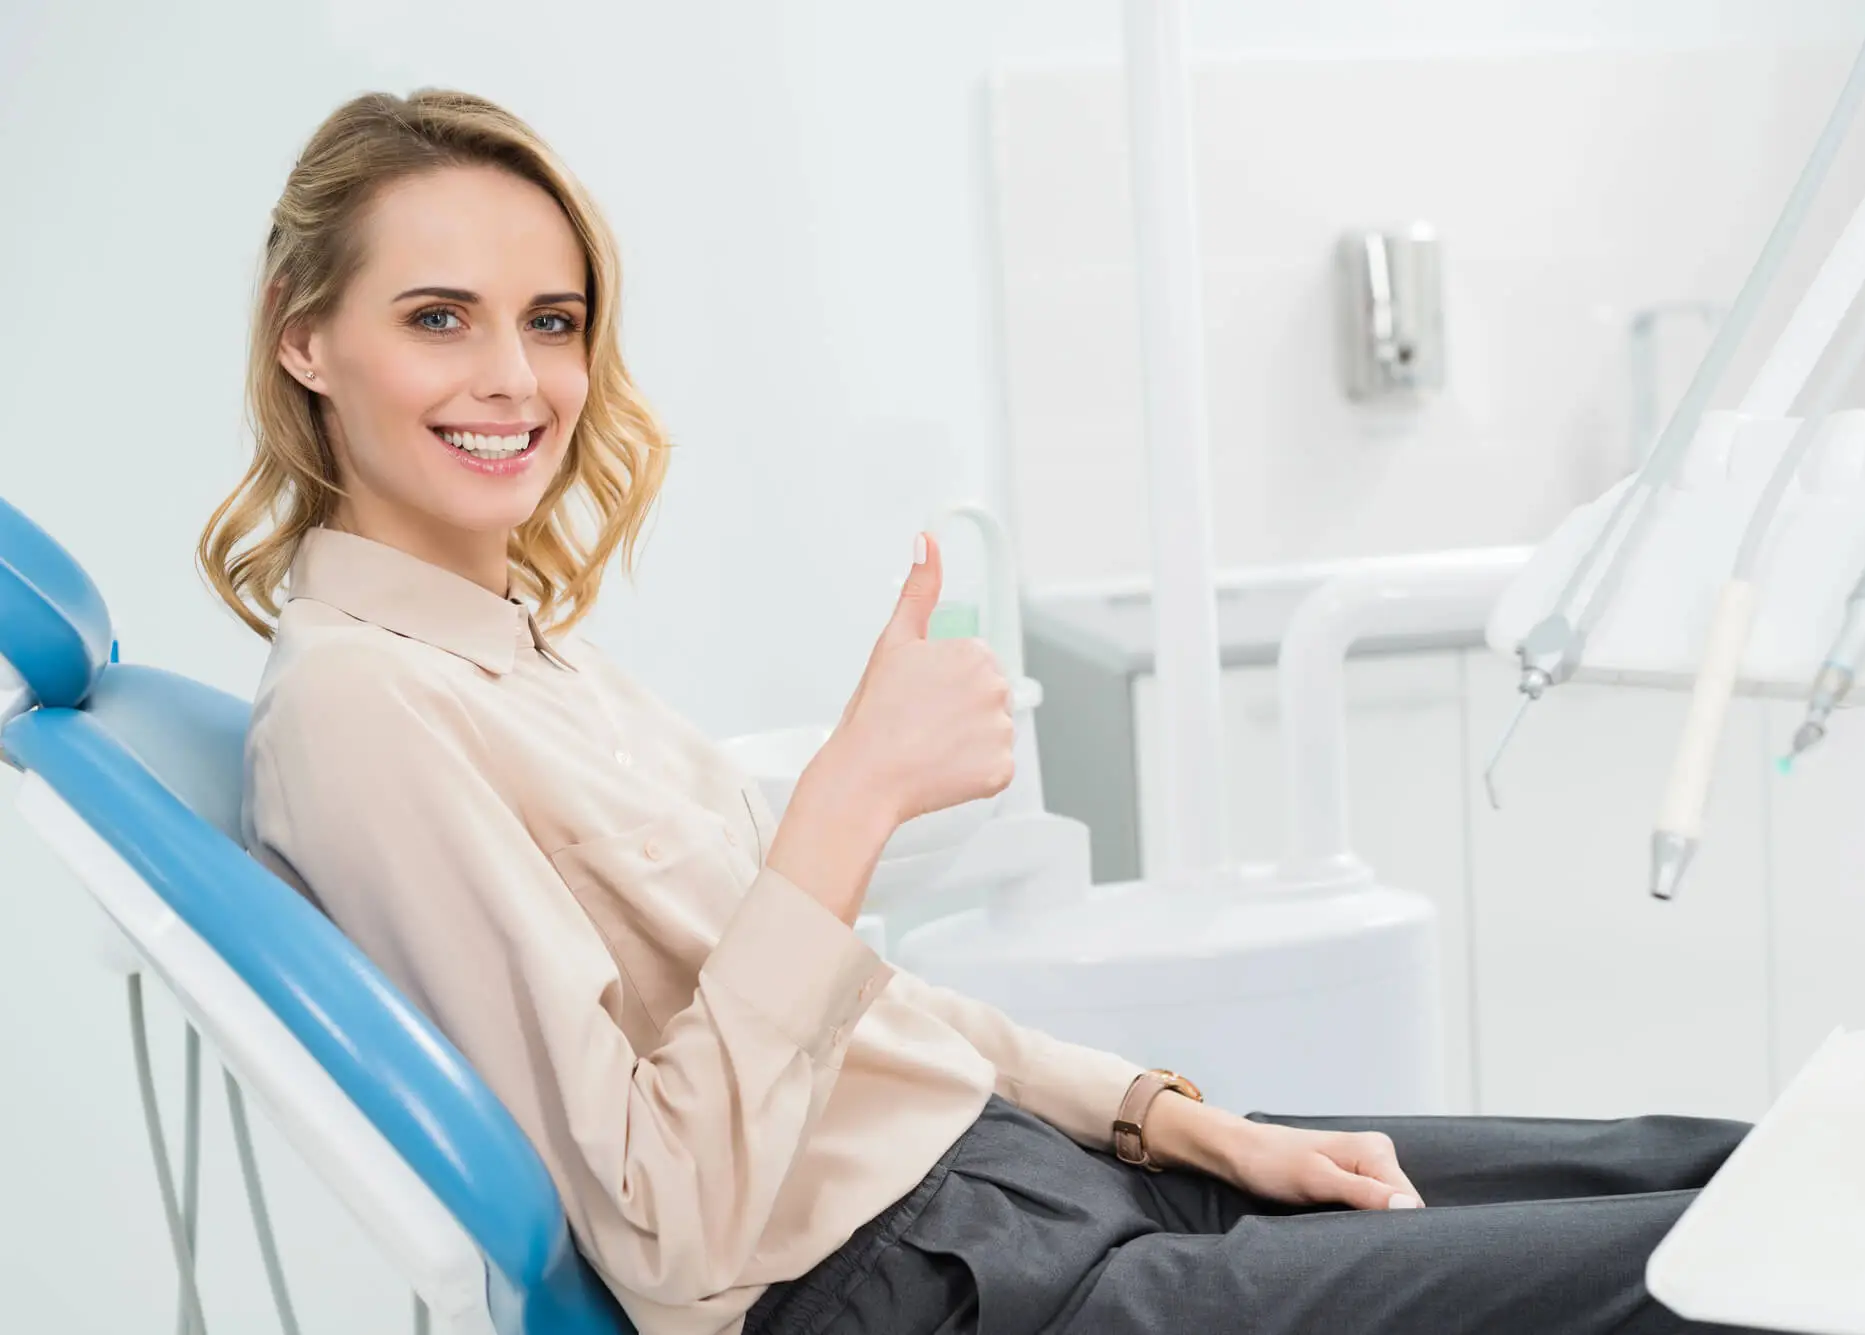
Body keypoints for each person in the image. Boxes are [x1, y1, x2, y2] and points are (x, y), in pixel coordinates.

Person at [202, 90, 1751, 1335]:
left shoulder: (525, 651)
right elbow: (664, 1223)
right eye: (438, 317)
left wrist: (1177, 1122)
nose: (516, 378)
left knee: (1707, 1172)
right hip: (922, 1284)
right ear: (304, 333)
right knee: (1728, 1269)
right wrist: (846, 805)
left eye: (551, 319)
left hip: (1033, 1182)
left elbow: (855, 1014)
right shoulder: (362, 713)